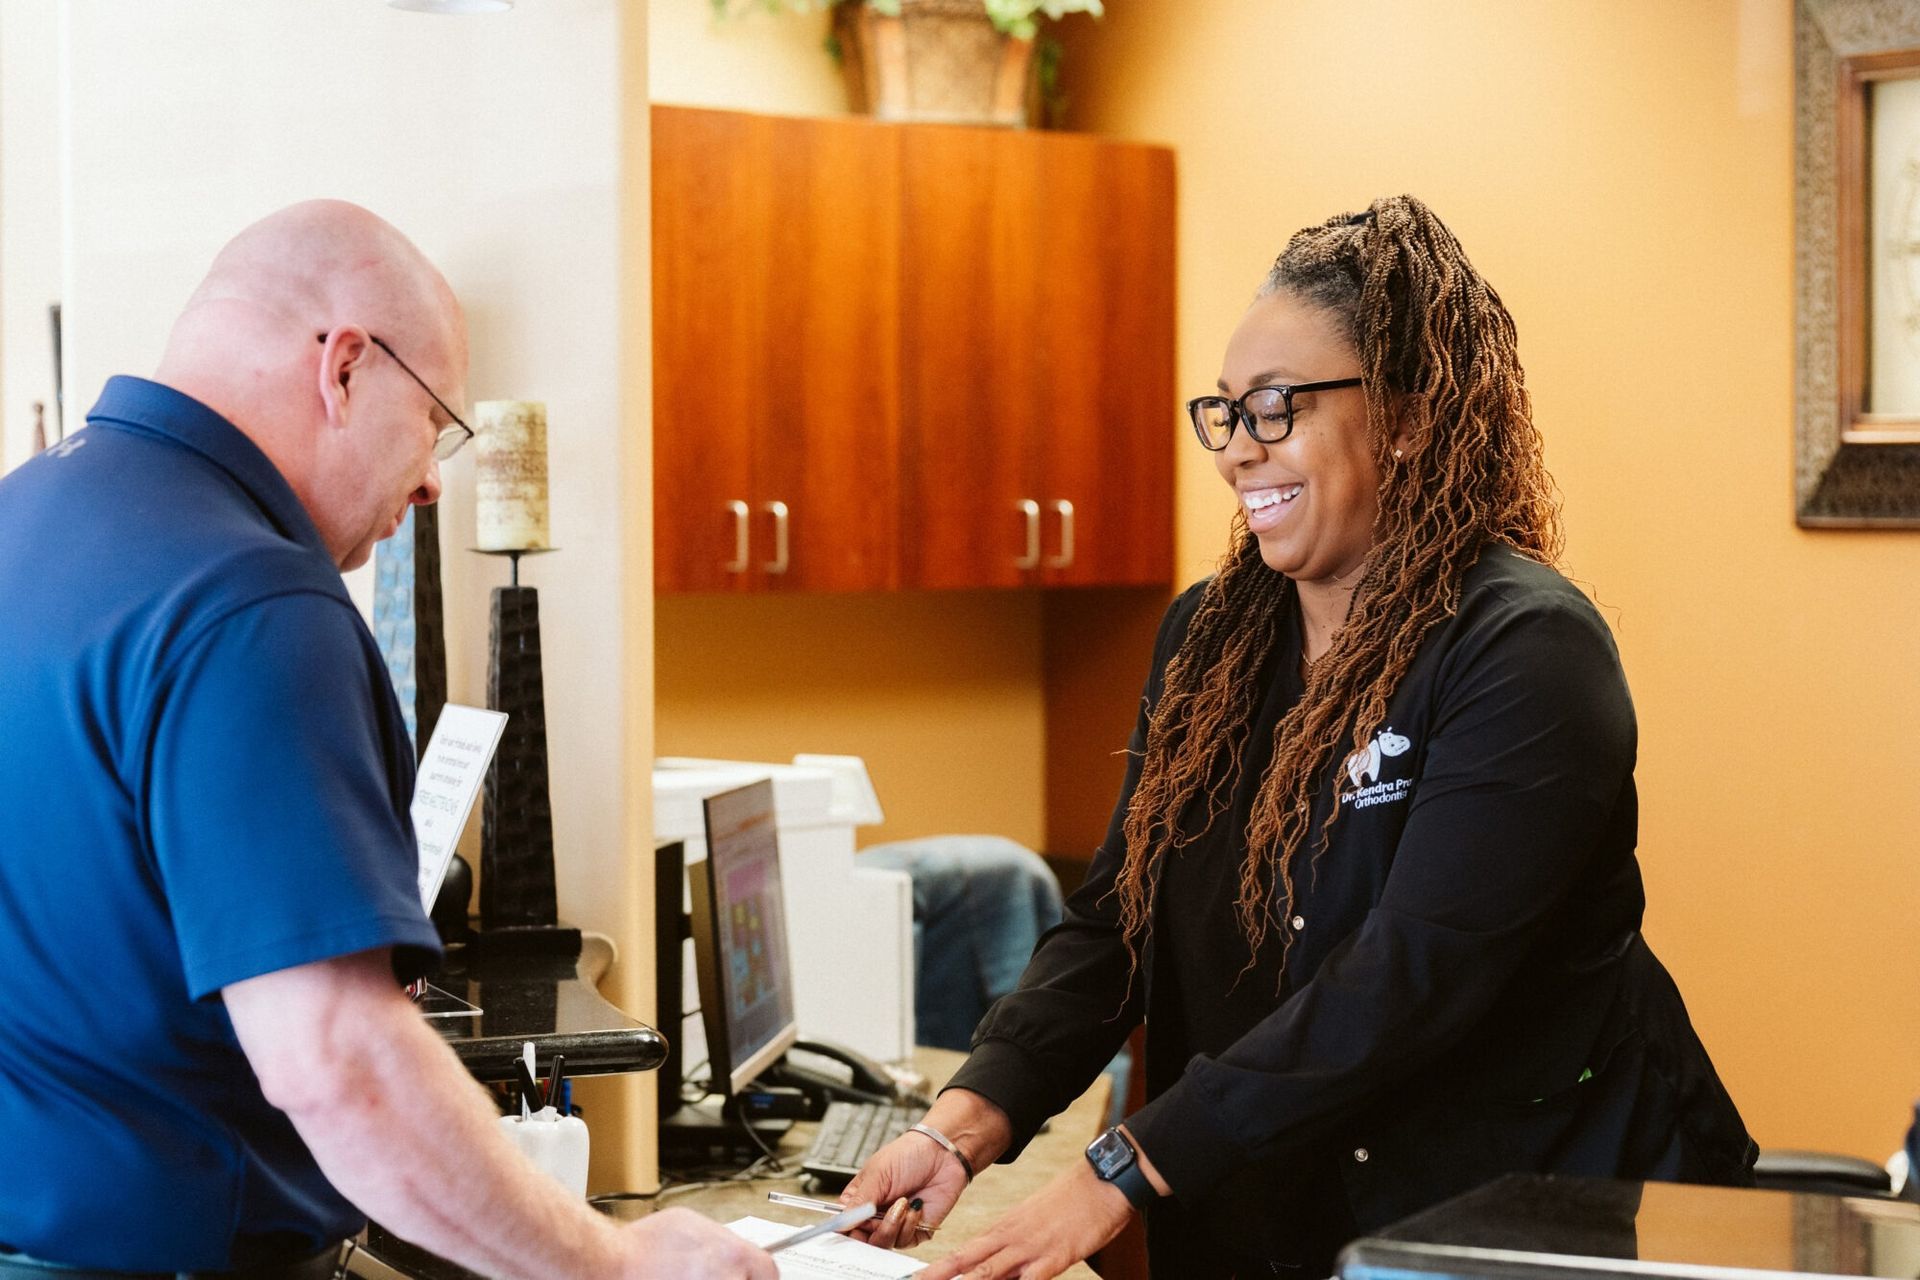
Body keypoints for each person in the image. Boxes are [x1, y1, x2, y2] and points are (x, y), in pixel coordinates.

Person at [839, 195, 1757, 1280]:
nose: (1238, 451)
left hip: (1513, 1223)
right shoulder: (1209, 639)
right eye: (1225, 413)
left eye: (1277, 408)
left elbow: (1406, 978)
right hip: (1267, 1221)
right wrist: (963, 1123)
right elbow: (1115, 925)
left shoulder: (1528, 652)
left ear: (1410, 413)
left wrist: (1121, 1169)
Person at [0, 201, 773, 1280]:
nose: (428, 479)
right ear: (347, 366)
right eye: (434, 423)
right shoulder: (254, 601)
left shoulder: (22, 514)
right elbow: (337, 1061)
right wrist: (617, 1263)